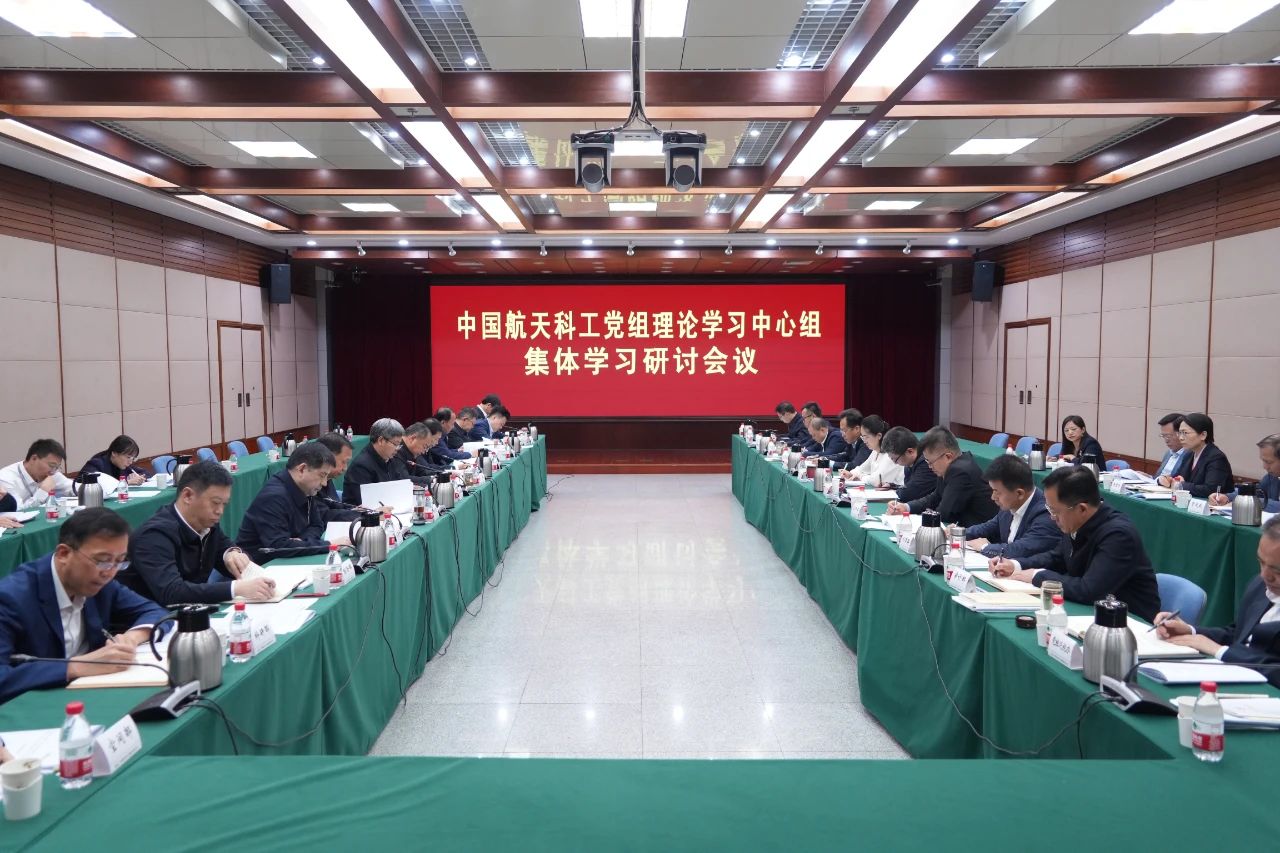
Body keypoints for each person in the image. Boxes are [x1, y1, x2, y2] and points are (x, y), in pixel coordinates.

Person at [0, 508, 170, 704]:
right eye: (103, 561)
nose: (110, 572)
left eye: (120, 562)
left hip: (89, 695)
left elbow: (155, 611)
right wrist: (77, 666)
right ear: (64, 553)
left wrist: (130, 639)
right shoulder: (11, 597)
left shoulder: (101, 583)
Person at [991, 466, 1160, 621]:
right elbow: (1056, 558)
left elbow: (1089, 590)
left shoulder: (1118, 535)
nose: (1052, 517)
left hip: (1129, 623)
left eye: (1055, 511)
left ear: (1082, 509)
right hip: (1092, 614)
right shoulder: (1076, 521)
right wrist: (1015, 565)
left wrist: (1038, 576)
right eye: (1049, 509)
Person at [120, 462, 274, 605]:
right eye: (215, 503)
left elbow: (227, 549)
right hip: (149, 618)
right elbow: (171, 592)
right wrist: (235, 588)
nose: (220, 511)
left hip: (192, 611)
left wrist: (232, 553)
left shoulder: (208, 525)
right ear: (187, 496)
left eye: (224, 504)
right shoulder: (153, 535)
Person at [1155, 516, 1280, 682]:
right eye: (1261, 562)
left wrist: (1220, 651)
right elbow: (1238, 635)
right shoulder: (1259, 585)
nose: (1265, 575)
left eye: (1277, 571)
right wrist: (1190, 631)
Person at [237, 441, 351, 562]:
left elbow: (317, 525)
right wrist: (329, 545)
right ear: (302, 469)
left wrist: (302, 541)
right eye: (322, 475)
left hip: (287, 560)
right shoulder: (273, 497)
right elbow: (278, 547)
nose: (324, 483)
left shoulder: (306, 488)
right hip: (258, 565)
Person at [886, 427, 997, 526]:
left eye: (930, 462)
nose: (929, 466)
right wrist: (906, 507)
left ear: (948, 457)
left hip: (979, 535)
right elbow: (935, 497)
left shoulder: (961, 472)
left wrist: (912, 519)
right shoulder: (949, 466)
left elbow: (945, 514)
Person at [963, 455, 1064, 560]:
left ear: (1019, 493)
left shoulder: (1046, 513)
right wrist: (958, 532)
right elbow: (987, 527)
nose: (993, 497)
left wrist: (984, 547)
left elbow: (1022, 550)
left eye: (997, 492)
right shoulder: (1010, 504)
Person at [1158, 412, 1233, 498]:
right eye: (1180, 433)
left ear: (1203, 435)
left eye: (1185, 433)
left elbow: (1211, 490)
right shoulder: (1189, 454)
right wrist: (1164, 479)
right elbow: (1176, 478)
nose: (1181, 438)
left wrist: (1181, 485)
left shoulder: (1216, 458)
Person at [342, 418, 409, 507]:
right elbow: (368, 503)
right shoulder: (361, 466)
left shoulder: (390, 459)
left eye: (399, 445)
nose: (398, 449)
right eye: (396, 444)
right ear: (381, 440)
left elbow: (399, 486)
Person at [1210, 433, 1280, 511]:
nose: (1265, 467)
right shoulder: (1271, 477)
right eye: (1263, 461)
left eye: (1269, 462)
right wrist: (1227, 497)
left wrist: (1245, 502)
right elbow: (1252, 491)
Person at [0, 439, 74, 508]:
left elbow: (74, 487)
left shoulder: (51, 472)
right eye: (52, 465)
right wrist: (43, 491)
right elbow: (17, 510)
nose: (53, 471)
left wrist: (81, 490)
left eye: (57, 467)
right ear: (34, 458)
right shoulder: (6, 478)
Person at [880, 427, 937, 503]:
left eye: (896, 459)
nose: (895, 463)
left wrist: (895, 492)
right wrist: (892, 486)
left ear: (910, 451)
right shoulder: (910, 462)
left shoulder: (926, 463)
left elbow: (909, 494)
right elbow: (910, 487)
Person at [842, 415, 902, 486]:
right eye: (863, 437)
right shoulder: (875, 451)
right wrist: (851, 473)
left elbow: (876, 480)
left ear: (879, 436)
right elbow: (861, 469)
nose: (864, 441)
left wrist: (860, 476)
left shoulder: (891, 455)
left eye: (866, 437)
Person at [80, 435, 150, 486]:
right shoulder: (97, 464)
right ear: (114, 453)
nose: (130, 462)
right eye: (128, 457)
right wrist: (126, 483)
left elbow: (146, 473)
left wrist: (138, 478)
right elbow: (81, 483)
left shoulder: (124, 465)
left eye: (133, 458)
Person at [837, 409, 877, 475]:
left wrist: (827, 463)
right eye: (841, 431)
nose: (842, 435)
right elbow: (844, 456)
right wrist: (824, 460)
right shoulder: (851, 441)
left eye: (844, 430)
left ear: (857, 429)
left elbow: (856, 465)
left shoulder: (866, 443)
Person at [1154, 413, 1185, 480]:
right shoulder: (1168, 453)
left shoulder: (1190, 456)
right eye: (1163, 436)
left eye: (1168, 436)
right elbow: (1158, 478)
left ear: (1181, 434)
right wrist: (1148, 477)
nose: (1166, 440)